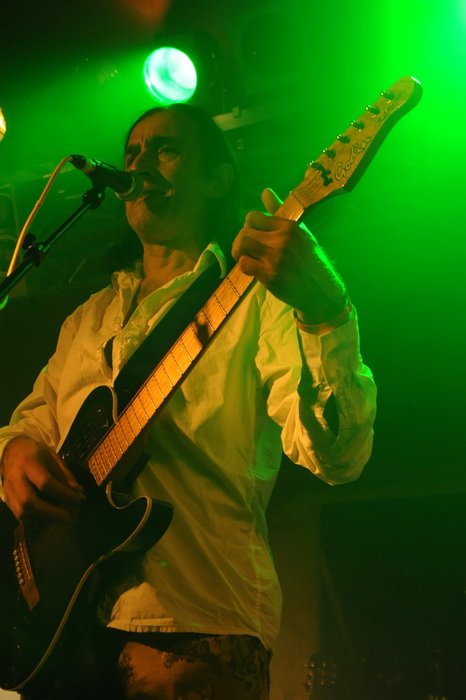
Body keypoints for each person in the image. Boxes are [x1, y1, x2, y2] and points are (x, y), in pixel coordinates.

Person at [0, 103, 376, 699]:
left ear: (218, 180)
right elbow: (30, 423)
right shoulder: (88, 318)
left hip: (194, 623)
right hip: (67, 635)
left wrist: (325, 313)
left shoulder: (257, 296)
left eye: (166, 150)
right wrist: (14, 453)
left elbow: (338, 457)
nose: (140, 164)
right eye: (132, 154)